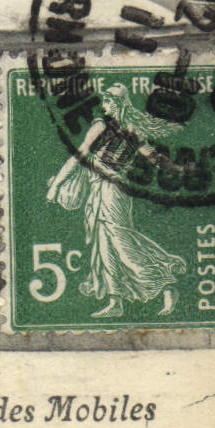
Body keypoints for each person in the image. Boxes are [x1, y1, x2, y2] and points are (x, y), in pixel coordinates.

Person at [46, 83, 185, 318]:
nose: (105, 106)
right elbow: (81, 156)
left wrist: (57, 185)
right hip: (101, 190)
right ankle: (116, 300)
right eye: (106, 101)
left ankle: (164, 281)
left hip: (113, 191)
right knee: (105, 246)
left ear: (120, 104)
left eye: (110, 101)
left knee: (121, 241)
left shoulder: (108, 128)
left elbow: (80, 156)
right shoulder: (122, 129)